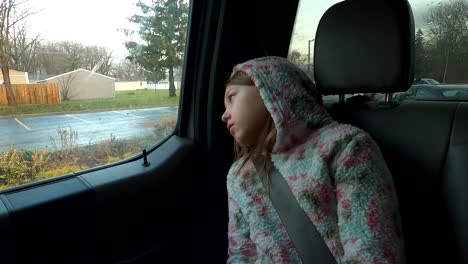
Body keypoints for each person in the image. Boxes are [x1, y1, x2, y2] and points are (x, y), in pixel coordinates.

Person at [221, 56, 405, 263]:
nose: (224, 115)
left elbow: (372, 253)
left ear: (269, 89)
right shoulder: (240, 174)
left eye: (231, 98)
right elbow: (241, 254)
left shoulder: (346, 147)